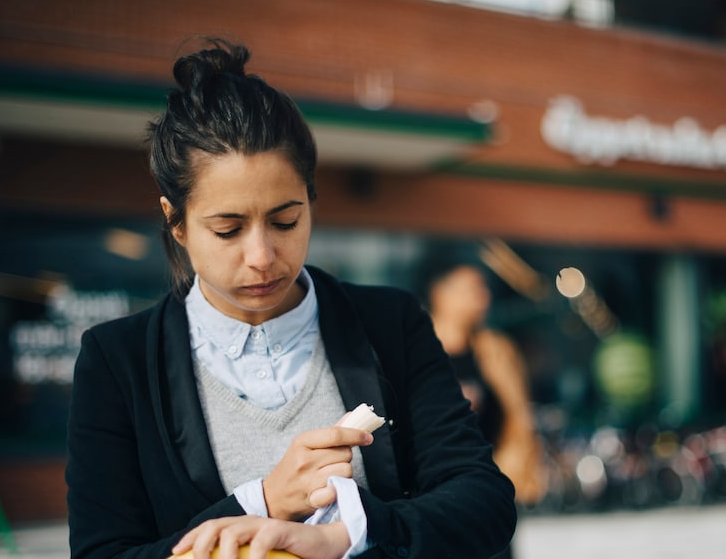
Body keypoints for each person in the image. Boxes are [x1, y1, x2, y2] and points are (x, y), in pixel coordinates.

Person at [65, 38, 516, 559]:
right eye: (228, 229)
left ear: (311, 200)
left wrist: (344, 532)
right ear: (176, 222)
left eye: (285, 221)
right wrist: (263, 501)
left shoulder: (389, 322)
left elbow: (484, 502)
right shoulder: (116, 361)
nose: (262, 255)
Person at [425, 262, 547, 516]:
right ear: (440, 294)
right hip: (433, 490)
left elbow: (518, 412)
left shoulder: (496, 349)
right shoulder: (418, 349)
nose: (483, 297)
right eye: (472, 289)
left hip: (489, 483)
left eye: (483, 289)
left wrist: (521, 463)